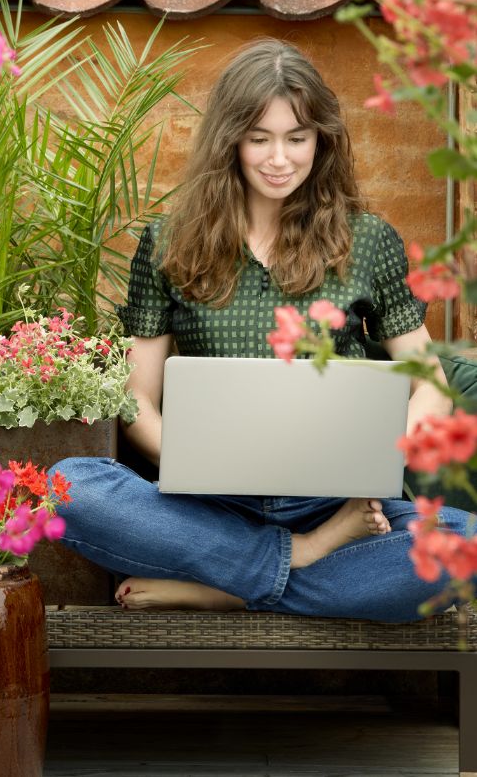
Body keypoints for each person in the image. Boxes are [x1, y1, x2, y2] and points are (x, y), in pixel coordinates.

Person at [51, 38, 471, 623]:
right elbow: (134, 399)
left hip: (335, 504)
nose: (280, 158)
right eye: (260, 139)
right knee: (68, 488)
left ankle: (225, 584)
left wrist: (379, 456)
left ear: (320, 141)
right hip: (207, 505)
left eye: (297, 138)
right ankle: (296, 561)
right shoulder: (167, 243)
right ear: (230, 143)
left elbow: (429, 384)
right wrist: (194, 459)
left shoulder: (367, 240)